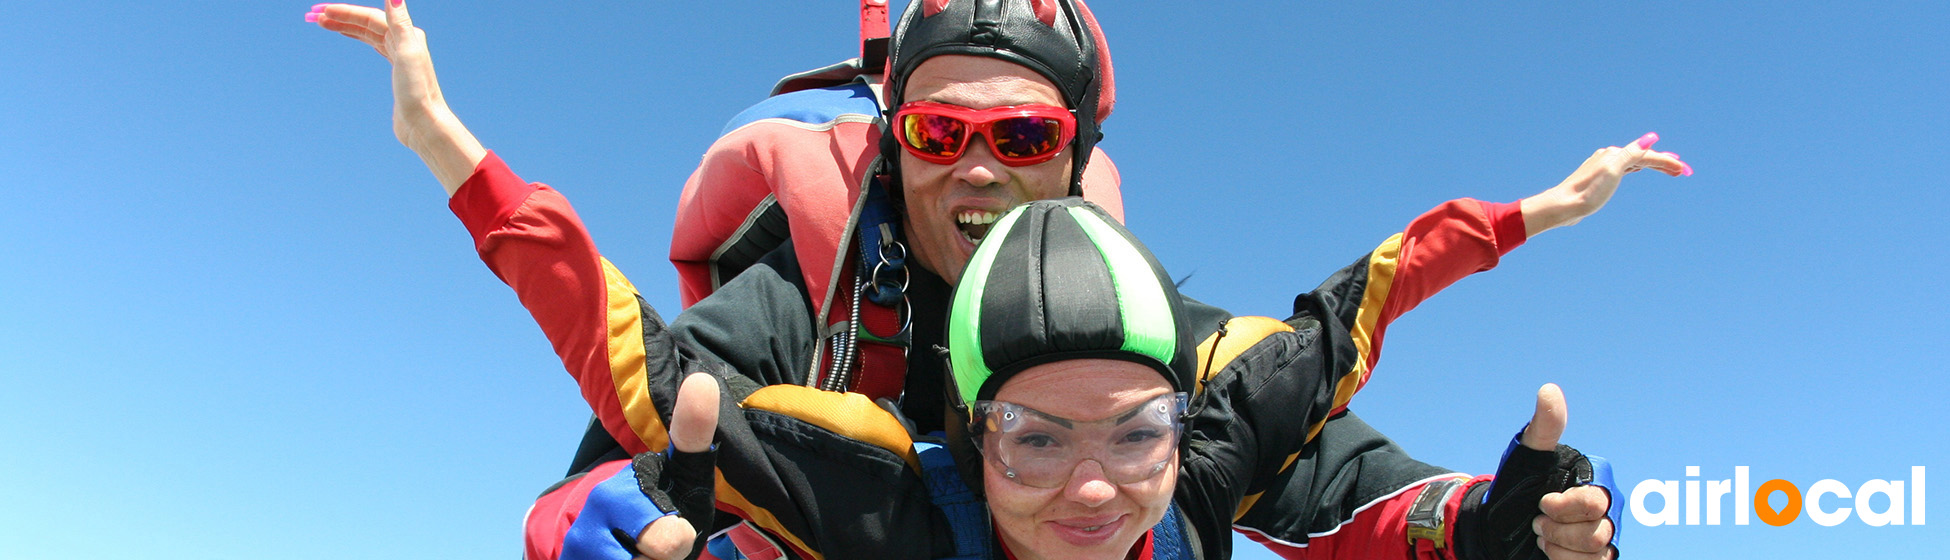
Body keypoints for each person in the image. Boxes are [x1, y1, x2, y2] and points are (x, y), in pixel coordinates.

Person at [304, 0, 1686, 558]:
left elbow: (1341, 470)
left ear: (1073, 150)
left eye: (1019, 136)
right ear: (891, 138)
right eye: (936, 132)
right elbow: (631, 425)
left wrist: (1501, 523)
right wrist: (587, 526)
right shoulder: (800, 313)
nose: (975, 168)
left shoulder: (1153, 339)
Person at [627, 198, 1619, 560]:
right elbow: (646, 369)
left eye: (1136, 430)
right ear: (971, 438)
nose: (1095, 485)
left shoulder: (1194, 479)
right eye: (1038, 438)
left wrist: (1487, 525)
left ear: (1182, 425)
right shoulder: (894, 510)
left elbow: (1351, 318)